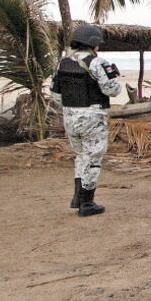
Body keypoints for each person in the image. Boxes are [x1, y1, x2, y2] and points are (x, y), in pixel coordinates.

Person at [50, 24, 121, 217]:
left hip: (70, 117)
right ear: (94, 43)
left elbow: (55, 94)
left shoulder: (63, 63)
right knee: (93, 158)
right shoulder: (97, 63)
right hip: (92, 117)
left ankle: (77, 197)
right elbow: (112, 90)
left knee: (81, 155)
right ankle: (87, 202)